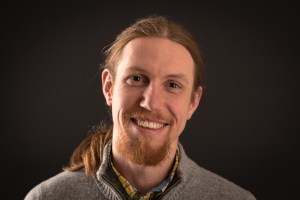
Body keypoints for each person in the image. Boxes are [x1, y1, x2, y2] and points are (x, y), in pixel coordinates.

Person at [25, 15, 256, 200]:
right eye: (136, 79)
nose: (151, 102)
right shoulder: (46, 197)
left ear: (193, 102)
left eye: (173, 85)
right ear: (109, 87)